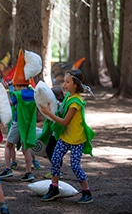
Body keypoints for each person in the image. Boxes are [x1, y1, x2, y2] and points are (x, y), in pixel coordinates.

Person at [40, 69, 95, 204]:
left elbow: (64, 121)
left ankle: (87, 192)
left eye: (67, 82)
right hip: (65, 137)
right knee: (55, 159)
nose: (64, 84)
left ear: (75, 84)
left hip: (76, 139)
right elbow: (60, 111)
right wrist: (51, 107)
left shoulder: (75, 102)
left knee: (75, 166)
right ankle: (54, 188)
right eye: (64, 81)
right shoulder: (68, 97)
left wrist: (48, 113)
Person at [0, 50, 39, 182]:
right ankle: (29, 172)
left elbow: (10, 103)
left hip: (17, 123)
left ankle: (7, 169)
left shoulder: (17, 95)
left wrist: (7, 91)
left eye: (15, 86)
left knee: (8, 145)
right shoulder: (33, 93)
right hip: (28, 124)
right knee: (26, 149)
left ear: (17, 86)